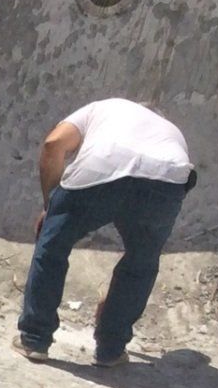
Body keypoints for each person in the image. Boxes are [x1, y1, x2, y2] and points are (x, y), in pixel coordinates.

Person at [14, 98, 196, 367]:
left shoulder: (105, 107)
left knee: (53, 245)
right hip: (167, 178)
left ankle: (35, 339)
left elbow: (54, 144)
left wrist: (51, 208)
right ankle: (111, 349)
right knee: (141, 262)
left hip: (103, 165)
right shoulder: (170, 131)